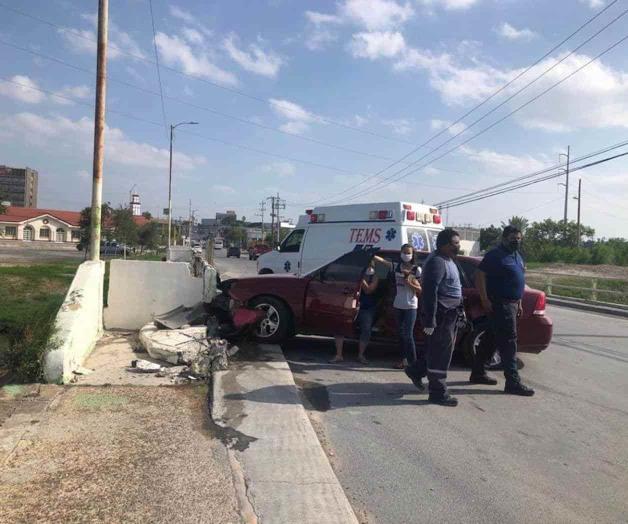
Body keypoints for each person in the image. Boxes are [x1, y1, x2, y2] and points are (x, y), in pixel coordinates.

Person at [470, 225, 535, 396]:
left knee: (490, 339)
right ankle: (512, 381)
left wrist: (519, 301)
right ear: (504, 238)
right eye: (513, 238)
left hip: (513, 303)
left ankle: (478, 373)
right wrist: (484, 299)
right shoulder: (494, 255)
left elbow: (518, 279)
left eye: (519, 238)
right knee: (509, 342)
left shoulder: (517, 255)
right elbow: (479, 275)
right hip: (500, 304)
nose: (517, 241)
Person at [421, 228, 463, 407]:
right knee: (440, 354)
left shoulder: (449, 260)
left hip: (451, 313)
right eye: (455, 243)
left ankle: (416, 371)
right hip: (442, 315)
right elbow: (430, 292)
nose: (458, 246)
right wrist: (430, 320)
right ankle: (438, 392)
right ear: (445, 245)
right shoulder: (437, 262)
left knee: (440, 351)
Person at [330, 260, 380, 364]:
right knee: (340, 326)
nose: (369, 267)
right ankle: (339, 354)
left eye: (371, 265)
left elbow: (369, 290)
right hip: (350, 305)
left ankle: (361, 355)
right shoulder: (353, 274)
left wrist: (362, 280)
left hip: (366, 308)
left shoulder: (374, 277)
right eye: (367, 265)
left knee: (366, 329)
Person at [392, 244, 425, 390]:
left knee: (408, 334)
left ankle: (413, 363)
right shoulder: (396, 267)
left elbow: (420, 289)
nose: (406, 255)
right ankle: (402, 359)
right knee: (400, 333)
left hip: (411, 305)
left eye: (409, 253)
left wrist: (409, 282)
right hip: (398, 304)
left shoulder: (416, 269)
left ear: (413, 254)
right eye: (404, 252)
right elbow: (383, 262)